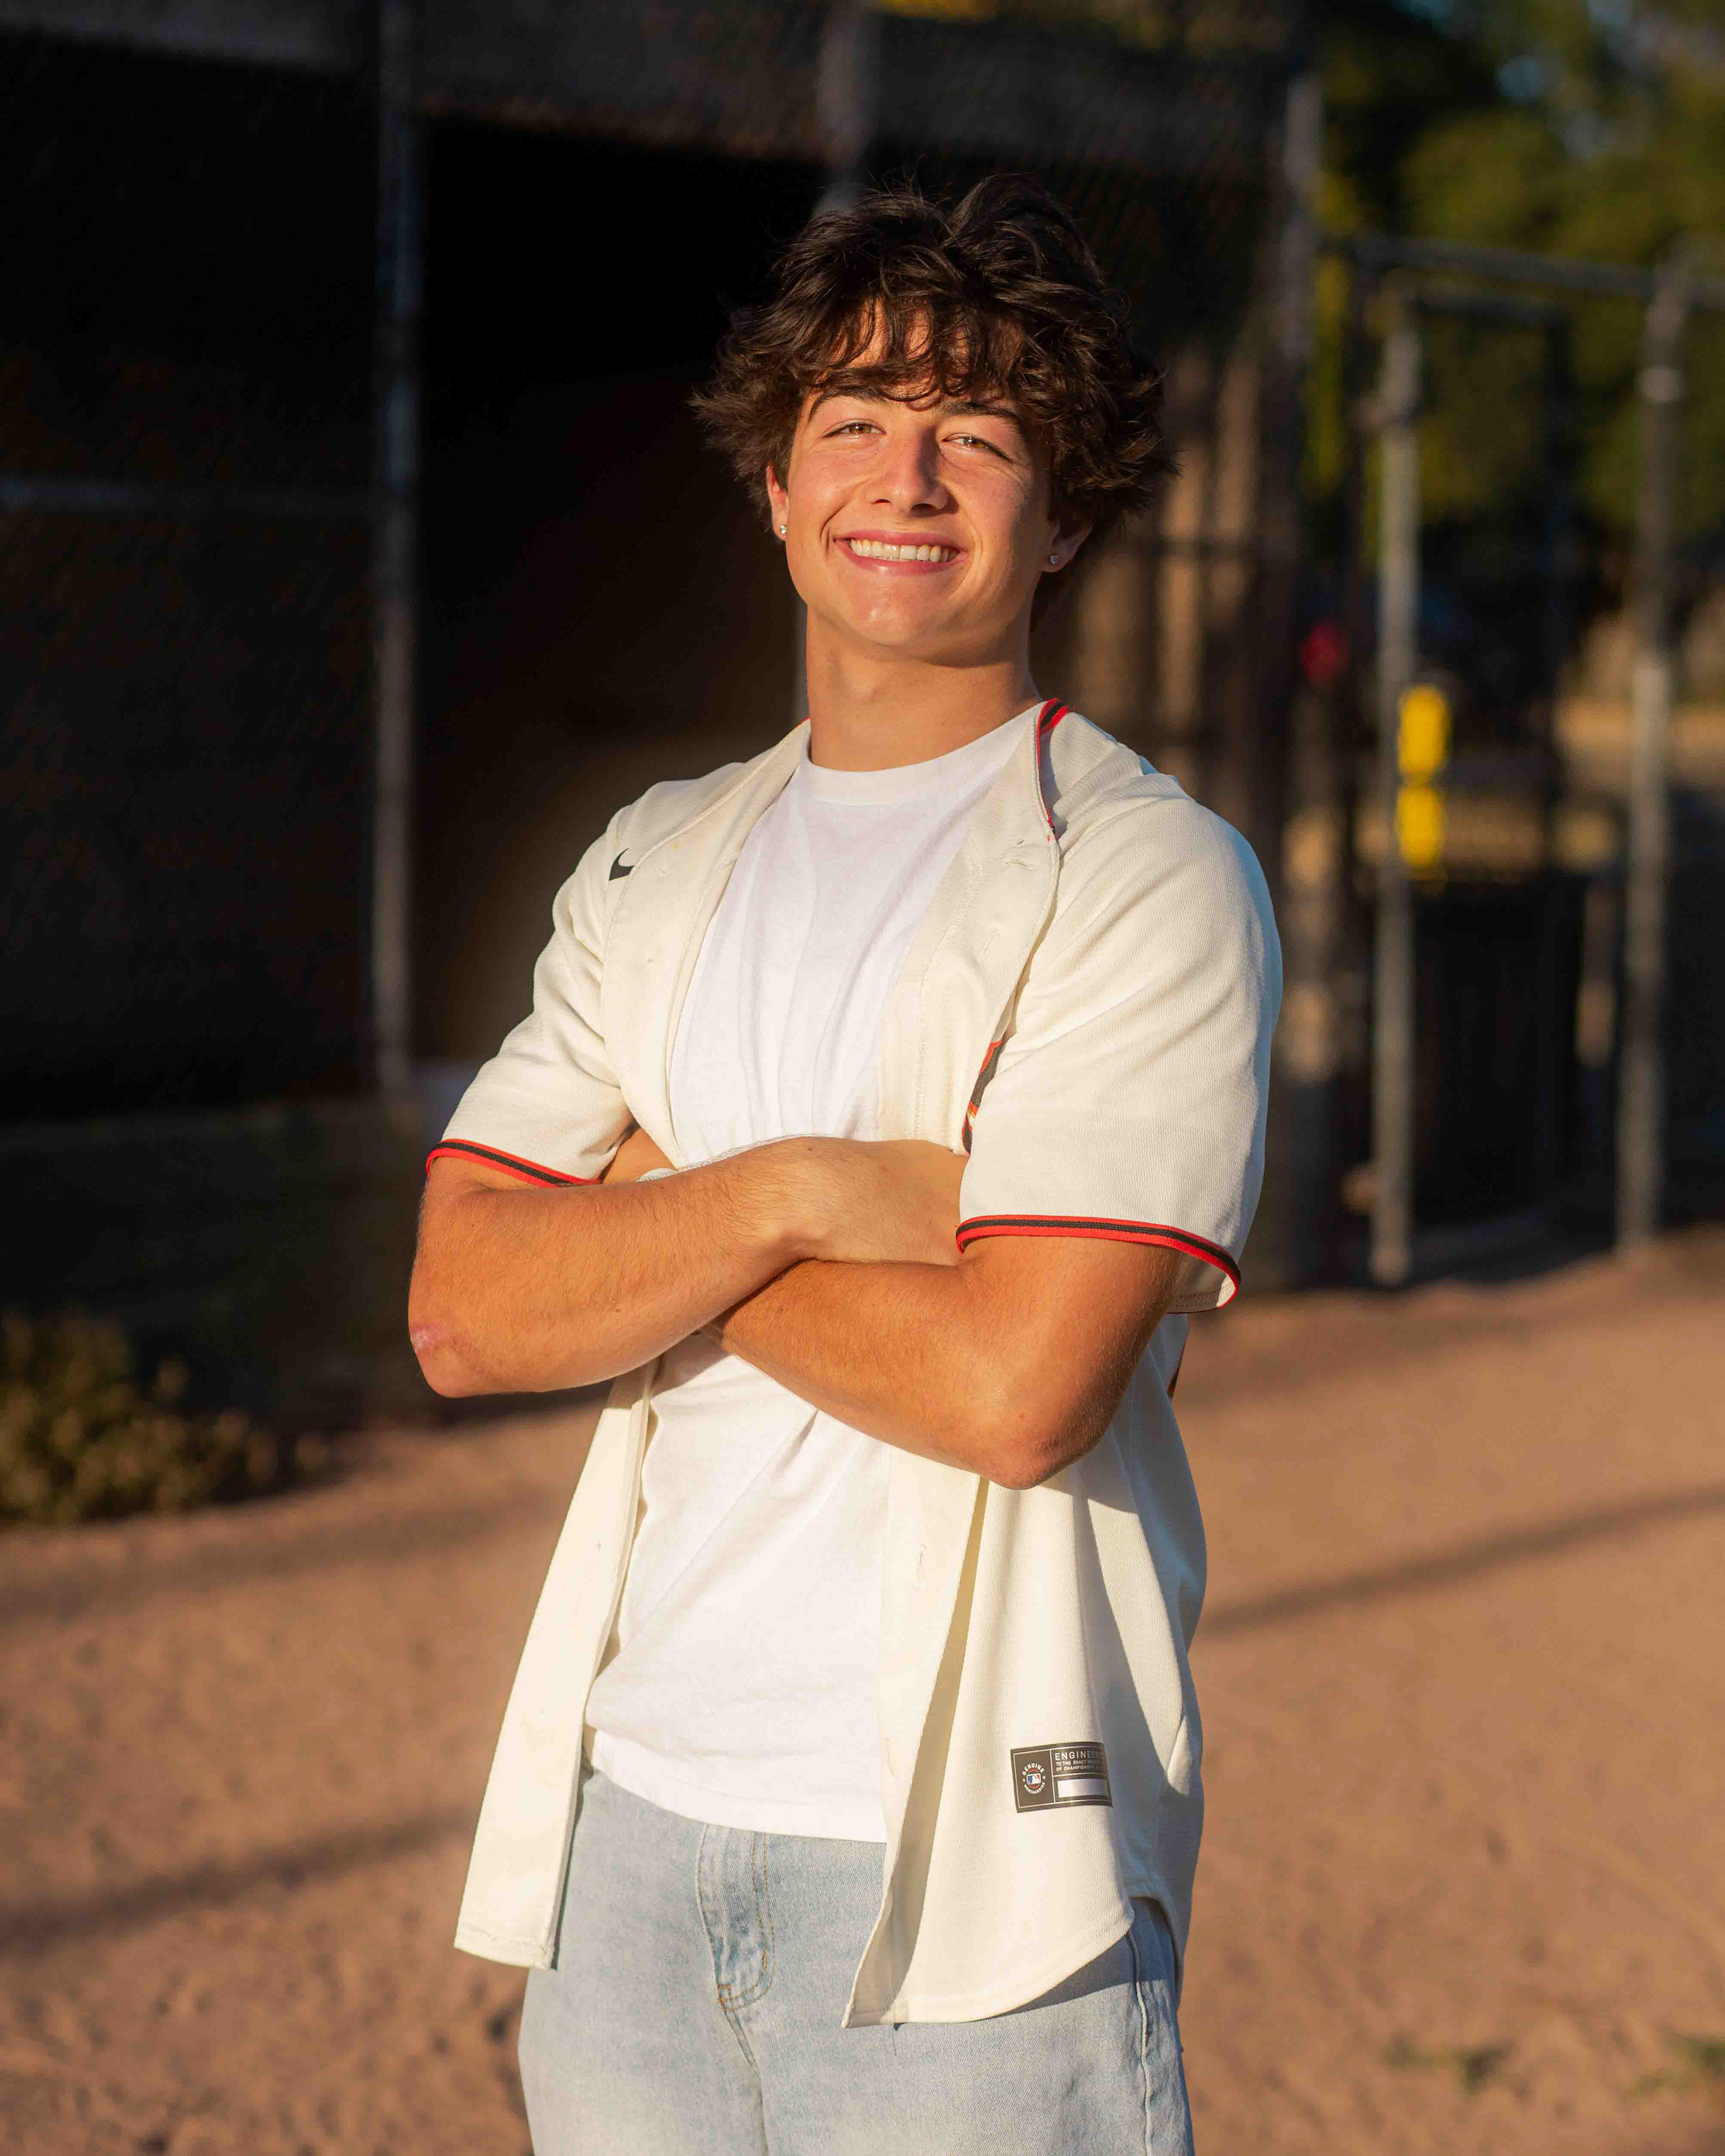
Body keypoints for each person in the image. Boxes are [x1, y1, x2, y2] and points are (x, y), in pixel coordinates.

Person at [409, 174, 1280, 2156]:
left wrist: (651, 1220)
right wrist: (802, 1191)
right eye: (859, 419)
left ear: (1066, 513)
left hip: (975, 1875)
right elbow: (464, 1311)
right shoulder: (656, 856)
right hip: (630, 1842)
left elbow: (1013, 1387)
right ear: (779, 483)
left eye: (980, 433)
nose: (911, 475)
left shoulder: (1143, 873)